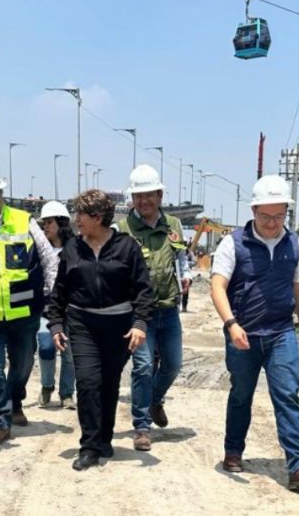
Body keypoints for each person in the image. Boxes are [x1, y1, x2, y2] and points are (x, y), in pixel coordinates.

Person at [209, 175, 299, 491]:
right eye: (265, 216)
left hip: (280, 333)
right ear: (254, 210)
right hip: (243, 334)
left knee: (287, 394)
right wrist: (231, 324)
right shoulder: (233, 243)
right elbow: (217, 285)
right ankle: (233, 450)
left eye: (279, 216)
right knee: (241, 395)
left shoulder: (293, 243)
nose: (273, 223)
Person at [48, 189, 153, 470]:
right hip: (82, 324)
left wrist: (140, 324)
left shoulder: (127, 247)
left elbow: (144, 290)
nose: (76, 219)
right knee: (88, 382)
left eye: (81, 214)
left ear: (97, 217)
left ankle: (105, 438)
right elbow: (60, 291)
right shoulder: (72, 249)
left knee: (108, 384)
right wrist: (56, 323)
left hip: (119, 326)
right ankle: (90, 446)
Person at [0, 161, 58, 445]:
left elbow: (48, 258)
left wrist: (54, 297)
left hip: (24, 311)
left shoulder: (23, 220)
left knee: (21, 364)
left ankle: (16, 399)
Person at [118, 164, 190, 452]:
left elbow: (181, 256)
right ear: (132, 199)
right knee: (144, 366)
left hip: (169, 309)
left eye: (150, 195)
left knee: (173, 364)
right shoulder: (122, 229)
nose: (144, 201)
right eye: (139, 196)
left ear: (160, 195)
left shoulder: (173, 225)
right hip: (139, 314)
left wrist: (186, 274)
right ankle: (141, 426)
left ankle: (155, 400)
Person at [36, 200, 76, 410]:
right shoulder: (39, 251)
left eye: (49, 222)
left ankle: (67, 393)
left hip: (70, 311)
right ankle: (46, 386)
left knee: (68, 353)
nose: (46, 227)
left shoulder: (75, 250)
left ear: (61, 223)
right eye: (44, 223)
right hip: (45, 310)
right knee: (46, 347)